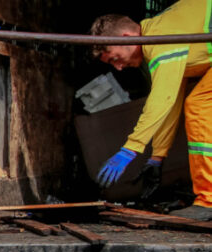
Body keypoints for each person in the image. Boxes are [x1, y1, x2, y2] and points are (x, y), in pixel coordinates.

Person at [91, 1, 212, 220]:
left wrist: (130, 148)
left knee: (198, 106)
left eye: (115, 58)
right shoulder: (159, 35)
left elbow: (162, 100)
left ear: (127, 38)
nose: (118, 67)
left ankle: (208, 201)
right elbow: (172, 102)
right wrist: (157, 156)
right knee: (196, 103)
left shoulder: (159, 39)